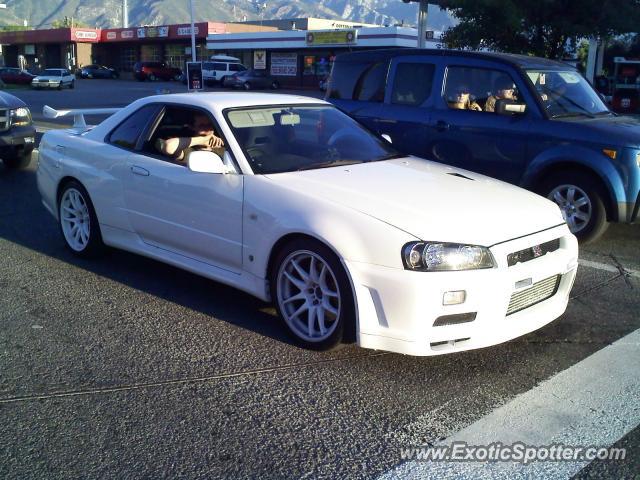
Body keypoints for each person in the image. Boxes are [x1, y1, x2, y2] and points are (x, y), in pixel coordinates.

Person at [155, 113, 224, 163]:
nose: (207, 129)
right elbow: (168, 147)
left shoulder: (224, 148)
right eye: (202, 125)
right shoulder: (188, 150)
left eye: (209, 125)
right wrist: (203, 139)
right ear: (192, 127)